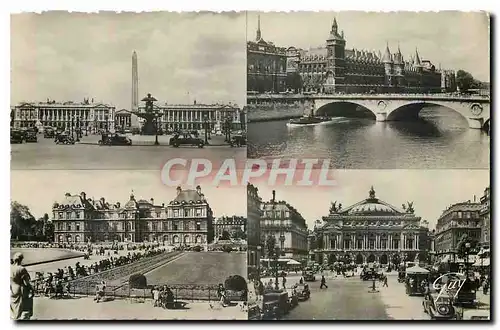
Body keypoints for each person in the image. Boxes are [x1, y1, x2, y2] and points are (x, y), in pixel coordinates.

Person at [11, 253, 33, 320]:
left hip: (11, 289)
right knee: (21, 308)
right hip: (20, 289)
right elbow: (26, 283)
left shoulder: (10, 267)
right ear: (21, 259)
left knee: (13, 308)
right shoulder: (22, 269)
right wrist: (31, 288)